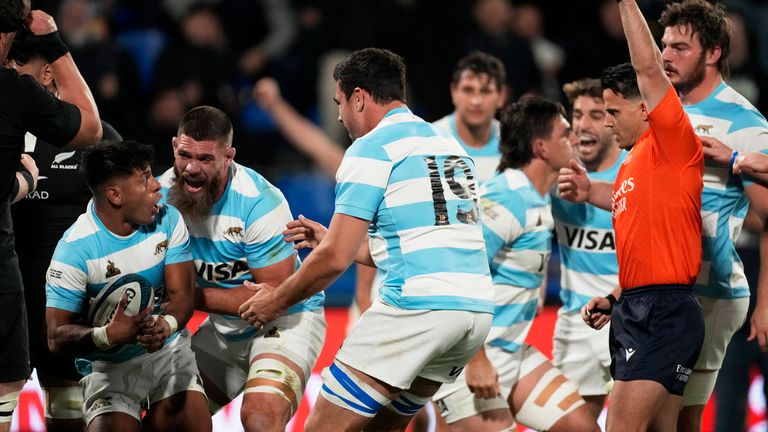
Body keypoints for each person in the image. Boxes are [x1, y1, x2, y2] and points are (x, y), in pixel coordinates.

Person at [239, 47, 494, 432]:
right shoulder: (447, 145)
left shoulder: (371, 147)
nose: (340, 115)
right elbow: (420, 242)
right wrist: (330, 238)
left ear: (358, 97)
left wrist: (275, 301)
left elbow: (334, 260)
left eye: (339, 103)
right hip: (473, 315)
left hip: (416, 309)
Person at [558, 0, 705, 429]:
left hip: (661, 313)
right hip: (641, 307)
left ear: (646, 110)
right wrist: (616, 298)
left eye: (612, 113)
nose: (605, 124)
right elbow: (646, 234)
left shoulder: (671, 141)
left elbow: (648, 70)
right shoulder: (635, 162)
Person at [430, 97, 598, 432]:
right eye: (565, 134)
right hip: (467, 360)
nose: (575, 139)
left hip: (511, 354)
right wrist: (475, 360)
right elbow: (452, 275)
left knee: (584, 428)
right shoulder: (507, 198)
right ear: (542, 148)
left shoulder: (536, 197)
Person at [157, 105, 326, 432]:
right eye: (184, 155)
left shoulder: (258, 202)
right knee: (171, 422)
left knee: (259, 419)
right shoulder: (159, 197)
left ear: (228, 156)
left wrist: (186, 297)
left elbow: (273, 299)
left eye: (205, 159)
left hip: (287, 321)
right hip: (225, 327)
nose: (191, 168)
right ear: (174, 145)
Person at [44, 141, 210, 431]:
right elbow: (56, 336)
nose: (157, 185)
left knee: (193, 424)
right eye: (144, 179)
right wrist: (106, 335)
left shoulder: (168, 219)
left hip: (167, 354)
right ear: (115, 195)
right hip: (108, 369)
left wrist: (167, 325)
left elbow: (183, 295)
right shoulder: (73, 251)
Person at [655, 2, 768, 429]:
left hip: (710, 293)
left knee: (670, 416)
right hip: (662, 290)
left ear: (714, 52)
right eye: (664, 45)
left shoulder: (745, 123)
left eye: (680, 47)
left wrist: (766, 305)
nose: (666, 56)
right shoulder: (663, 110)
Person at [6, 29, 123, 431]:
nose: (9, 75)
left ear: (48, 76)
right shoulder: (5, 131)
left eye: (18, 68)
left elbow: (125, 225)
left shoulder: (98, 139)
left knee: (67, 404)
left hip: (70, 303)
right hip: (10, 296)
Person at [550, 78, 624, 419]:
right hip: (575, 324)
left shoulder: (632, 170)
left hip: (629, 319)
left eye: (596, 115)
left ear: (612, 120)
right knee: (571, 426)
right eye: (577, 114)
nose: (582, 124)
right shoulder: (556, 175)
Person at [432, 50, 507, 184]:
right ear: (454, 92)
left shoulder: (514, 142)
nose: (476, 101)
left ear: (501, 96)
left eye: (485, 91)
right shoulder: (432, 140)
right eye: (468, 90)